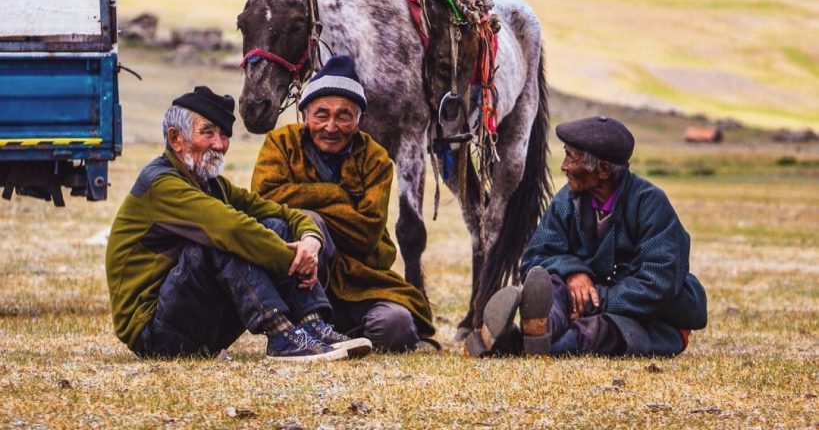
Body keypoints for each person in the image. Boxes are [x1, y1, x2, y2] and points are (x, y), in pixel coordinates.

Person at [105, 84, 371, 362]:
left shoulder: (212, 184)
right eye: (208, 132)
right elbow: (232, 229)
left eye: (224, 135)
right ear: (175, 138)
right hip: (155, 333)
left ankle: (312, 325)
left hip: (202, 327)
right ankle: (281, 335)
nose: (219, 145)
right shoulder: (160, 183)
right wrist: (294, 261)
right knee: (222, 238)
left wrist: (310, 242)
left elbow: (284, 214)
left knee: (274, 225)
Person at [465, 115, 707, 358]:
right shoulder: (567, 201)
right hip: (582, 306)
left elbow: (659, 283)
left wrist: (595, 299)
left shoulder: (650, 204)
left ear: (603, 169)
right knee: (550, 282)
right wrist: (573, 272)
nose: (564, 166)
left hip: (649, 320)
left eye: (572, 157)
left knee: (594, 331)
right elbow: (535, 257)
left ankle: (514, 345)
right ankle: (542, 328)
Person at [251, 55, 437, 351]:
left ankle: (344, 333)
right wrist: (338, 196)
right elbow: (266, 198)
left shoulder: (375, 158)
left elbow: (367, 231)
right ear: (305, 115)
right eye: (321, 114)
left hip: (361, 278)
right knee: (309, 221)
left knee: (396, 327)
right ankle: (311, 321)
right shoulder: (280, 144)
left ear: (359, 120)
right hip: (304, 280)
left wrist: (303, 197)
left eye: (343, 116)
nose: (331, 126)